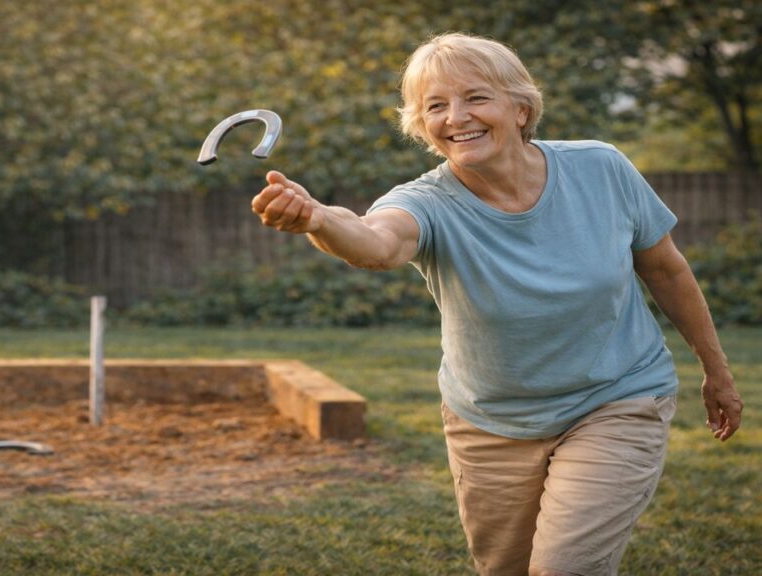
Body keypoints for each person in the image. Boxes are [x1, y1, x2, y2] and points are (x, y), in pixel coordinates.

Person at [250, 32, 743, 576]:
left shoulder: (601, 169)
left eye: (476, 97)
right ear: (422, 126)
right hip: (490, 422)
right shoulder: (425, 201)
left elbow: (666, 268)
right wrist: (318, 219)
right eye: (435, 106)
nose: (456, 116)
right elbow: (377, 242)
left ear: (520, 107)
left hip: (617, 398)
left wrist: (716, 371)